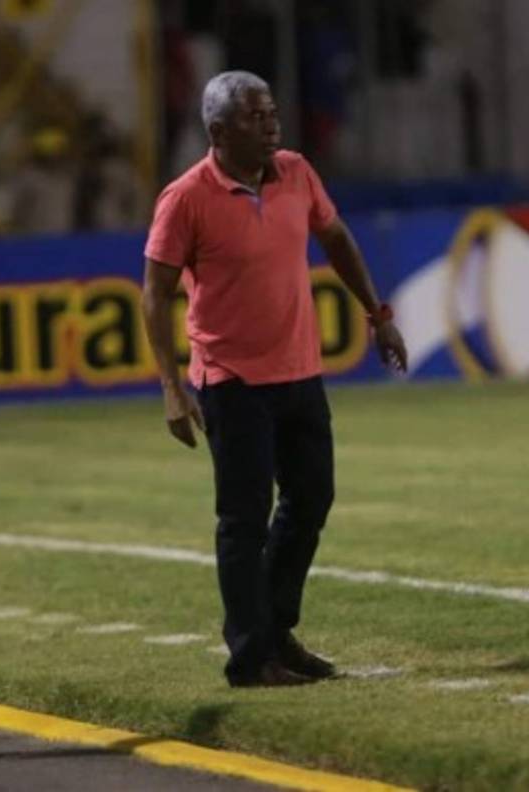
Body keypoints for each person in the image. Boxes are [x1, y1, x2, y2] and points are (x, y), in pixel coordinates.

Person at [141, 71, 407, 688]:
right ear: (217, 131)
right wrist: (171, 387)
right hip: (231, 381)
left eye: (272, 114)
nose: (272, 126)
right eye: (256, 117)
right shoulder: (185, 197)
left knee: (312, 498)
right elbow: (153, 296)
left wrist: (379, 314)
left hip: (299, 371)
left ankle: (274, 631)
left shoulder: (297, 172)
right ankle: (250, 656)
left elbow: (336, 237)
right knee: (243, 518)